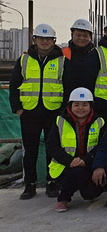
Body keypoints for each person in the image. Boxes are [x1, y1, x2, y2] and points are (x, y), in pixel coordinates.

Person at [9, 23, 65, 199]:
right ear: (35, 40)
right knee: (30, 150)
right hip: (29, 113)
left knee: (53, 149)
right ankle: (30, 184)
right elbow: (14, 85)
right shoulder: (24, 60)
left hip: (53, 112)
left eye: (48, 39)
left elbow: (67, 86)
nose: (45, 42)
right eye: (41, 38)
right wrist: (18, 109)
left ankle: (52, 182)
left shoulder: (62, 61)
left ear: (54, 41)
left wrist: (63, 112)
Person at [46, 88, 105, 212]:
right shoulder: (60, 121)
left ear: (91, 106)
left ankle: (87, 191)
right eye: (76, 105)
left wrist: (85, 160)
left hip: (89, 164)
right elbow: (52, 146)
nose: (81, 108)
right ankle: (63, 198)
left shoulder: (100, 122)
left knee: (91, 192)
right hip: (65, 166)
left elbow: (102, 146)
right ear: (70, 106)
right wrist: (69, 161)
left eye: (85, 105)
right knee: (75, 172)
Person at [62, 19, 96, 101]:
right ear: (72, 35)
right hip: (68, 98)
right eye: (78, 35)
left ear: (90, 37)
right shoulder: (63, 54)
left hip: (91, 99)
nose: (81, 38)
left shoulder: (96, 54)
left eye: (85, 36)